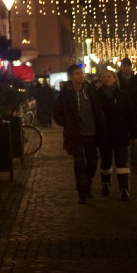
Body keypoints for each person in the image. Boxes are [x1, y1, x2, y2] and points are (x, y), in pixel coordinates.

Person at [54, 63, 104, 204]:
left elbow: (98, 108)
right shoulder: (65, 93)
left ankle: (86, 184)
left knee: (93, 161)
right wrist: (67, 123)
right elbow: (57, 113)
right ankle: (82, 192)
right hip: (76, 134)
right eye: (77, 73)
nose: (80, 76)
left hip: (91, 132)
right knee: (79, 163)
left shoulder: (90, 90)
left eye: (81, 73)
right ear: (71, 76)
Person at [94, 70, 137, 201]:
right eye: (104, 77)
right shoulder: (97, 96)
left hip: (120, 134)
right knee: (106, 162)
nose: (106, 79)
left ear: (115, 79)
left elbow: (130, 115)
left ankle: (124, 189)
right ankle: (105, 184)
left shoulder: (122, 95)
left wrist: (135, 134)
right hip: (104, 135)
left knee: (122, 162)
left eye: (109, 76)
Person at [117, 58, 137, 174]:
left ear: (131, 67)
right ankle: (124, 162)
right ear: (121, 67)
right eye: (124, 66)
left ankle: (135, 164)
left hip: (134, 112)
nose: (126, 68)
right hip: (121, 113)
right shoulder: (116, 78)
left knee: (135, 139)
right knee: (123, 139)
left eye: (128, 66)